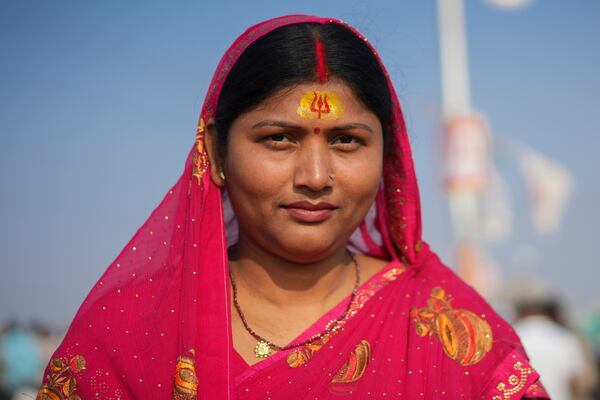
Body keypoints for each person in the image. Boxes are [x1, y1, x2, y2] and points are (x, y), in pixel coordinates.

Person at [36, 15, 549, 399]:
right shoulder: (127, 331)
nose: (316, 178)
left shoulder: (448, 331)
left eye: (347, 141)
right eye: (279, 138)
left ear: (388, 157)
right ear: (215, 152)